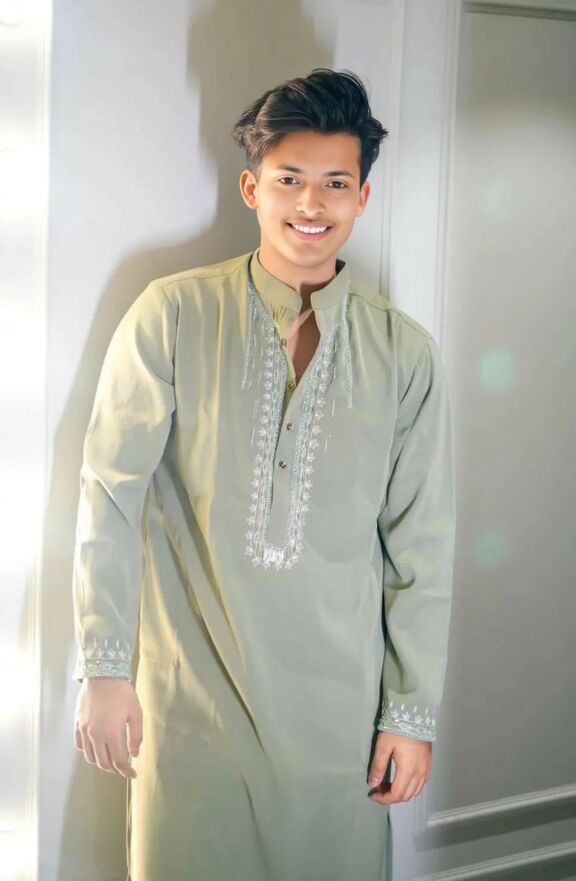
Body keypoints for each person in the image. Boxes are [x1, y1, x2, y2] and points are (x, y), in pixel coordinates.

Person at [71, 67, 456, 881]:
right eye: (289, 179)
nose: (311, 203)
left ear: (362, 198)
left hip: (340, 725)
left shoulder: (405, 354)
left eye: (335, 183)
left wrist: (409, 713)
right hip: (190, 711)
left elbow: (421, 549)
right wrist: (104, 667)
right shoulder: (173, 314)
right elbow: (109, 497)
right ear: (253, 188)